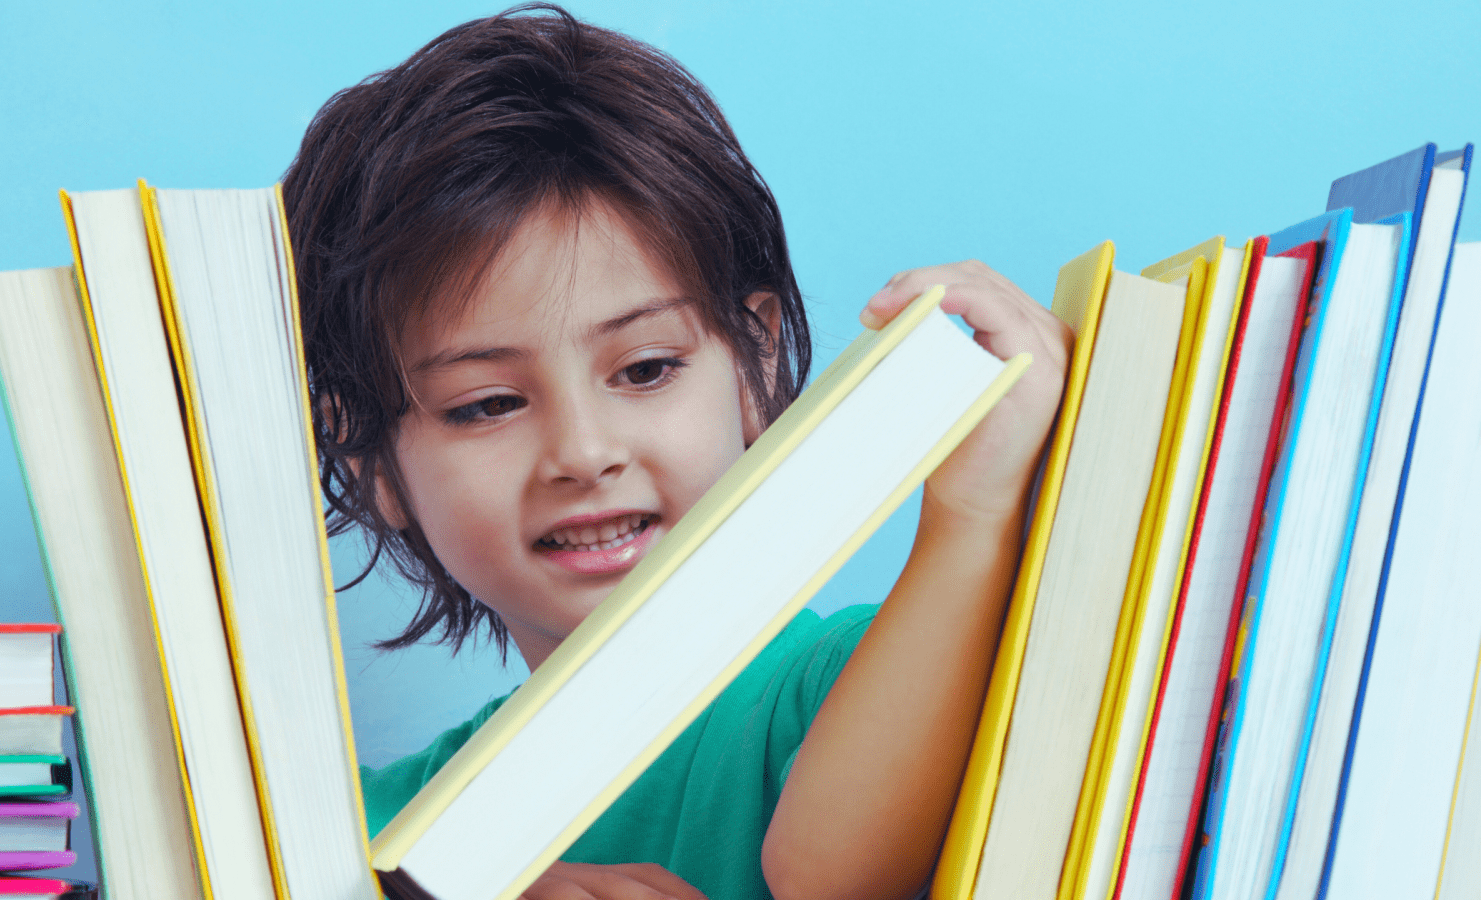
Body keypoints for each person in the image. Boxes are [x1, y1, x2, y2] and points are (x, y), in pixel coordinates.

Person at [282, 5, 1070, 899]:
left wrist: (970, 519)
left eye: (647, 368)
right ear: (369, 461)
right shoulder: (352, 842)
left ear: (755, 360)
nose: (582, 452)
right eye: (488, 403)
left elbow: (832, 879)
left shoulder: (864, 682)